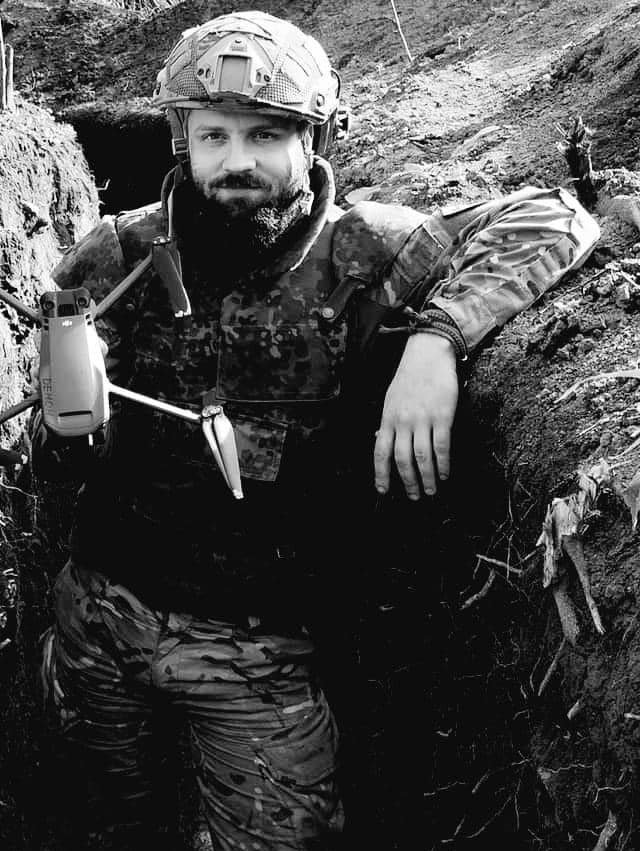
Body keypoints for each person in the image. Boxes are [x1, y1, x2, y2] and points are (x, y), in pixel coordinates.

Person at [32, 10, 599, 850]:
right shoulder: (118, 254)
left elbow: (555, 218)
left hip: (261, 652)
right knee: (104, 826)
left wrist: (437, 340)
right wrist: (65, 429)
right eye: (213, 135)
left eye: (266, 135)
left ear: (316, 138)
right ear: (183, 140)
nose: (237, 161)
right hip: (102, 621)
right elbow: (46, 465)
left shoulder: (372, 254)